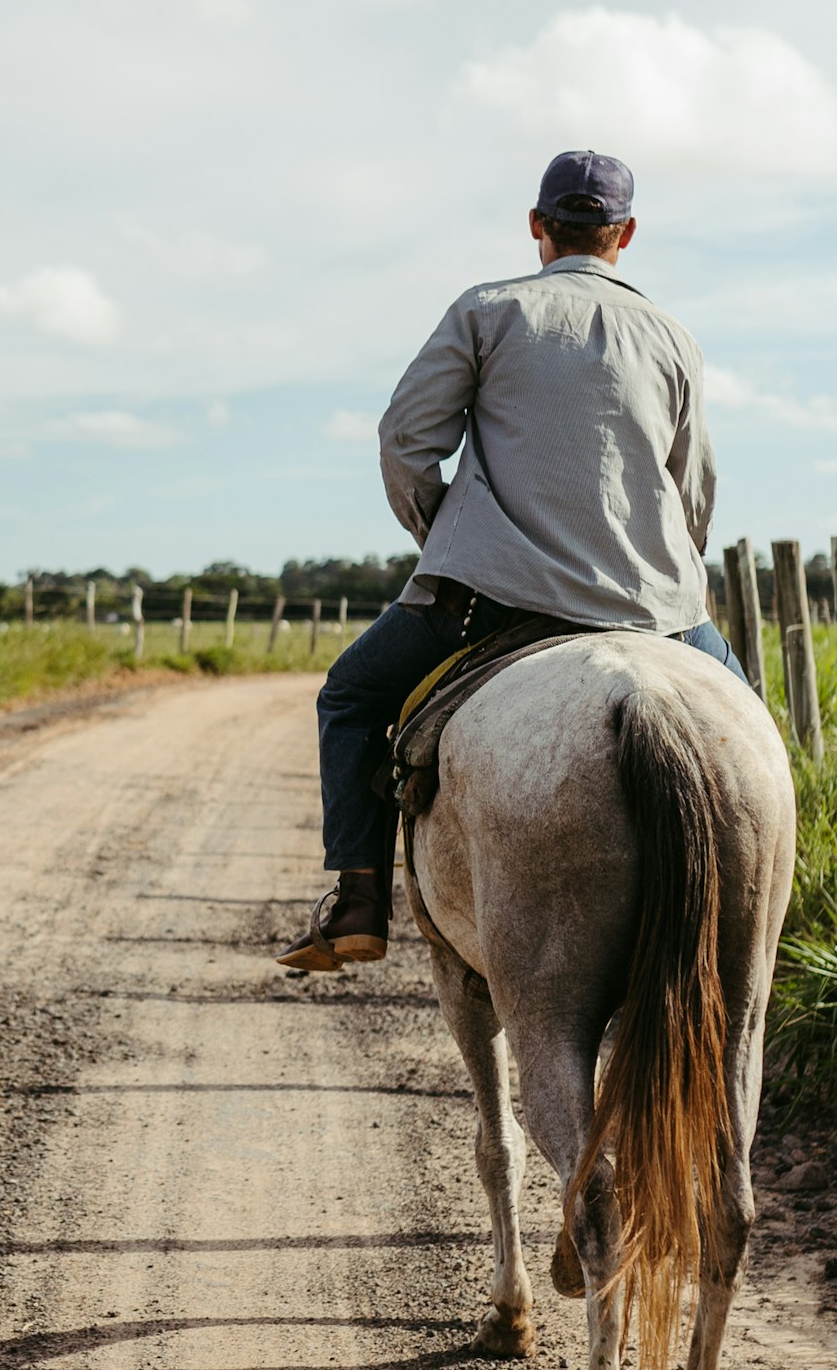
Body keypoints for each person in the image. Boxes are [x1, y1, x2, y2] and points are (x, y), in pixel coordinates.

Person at [278, 148, 742, 975]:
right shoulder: (675, 338)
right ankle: (761, 909)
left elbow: (406, 442)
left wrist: (450, 538)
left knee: (350, 697)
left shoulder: (487, 312)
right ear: (625, 234)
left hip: (486, 598)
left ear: (537, 226)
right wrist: (661, 567)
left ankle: (357, 902)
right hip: (657, 609)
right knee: (749, 737)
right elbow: (695, 489)